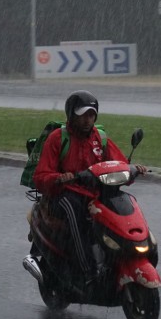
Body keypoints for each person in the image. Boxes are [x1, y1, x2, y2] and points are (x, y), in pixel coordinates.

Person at [32, 90, 147, 284]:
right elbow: (41, 176)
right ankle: (88, 272)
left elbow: (118, 163)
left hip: (95, 193)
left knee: (125, 202)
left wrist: (133, 170)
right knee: (77, 213)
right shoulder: (57, 139)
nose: (88, 120)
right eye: (83, 115)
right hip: (65, 195)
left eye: (91, 115)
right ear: (71, 115)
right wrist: (60, 178)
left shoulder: (100, 138)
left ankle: (128, 255)